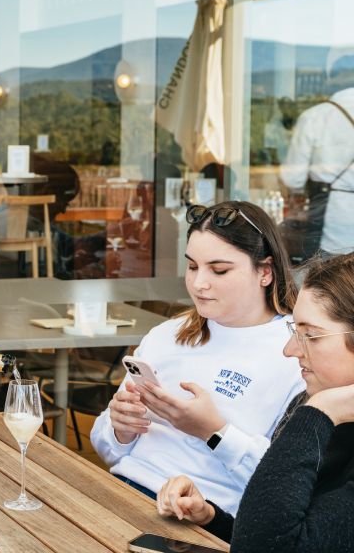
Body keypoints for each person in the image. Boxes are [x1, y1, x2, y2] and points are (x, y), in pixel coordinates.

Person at [90, 201, 304, 517]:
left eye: (219, 270)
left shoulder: (297, 353)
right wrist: (120, 428)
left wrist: (212, 431)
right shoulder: (167, 335)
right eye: (192, 267)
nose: (199, 283)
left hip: (206, 521)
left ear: (265, 272)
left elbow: (287, 489)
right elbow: (108, 450)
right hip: (120, 494)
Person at [157, 252, 354, 551]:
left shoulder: (319, 409)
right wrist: (211, 519)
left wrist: (320, 410)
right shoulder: (321, 409)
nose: (290, 351)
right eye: (294, 331)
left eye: (311, 336)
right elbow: (287, 534)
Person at [280, 87, 354, 256]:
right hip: (334, 218)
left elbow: (293, 178)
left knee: (328, 279)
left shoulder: (316, 116)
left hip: (332, 223)